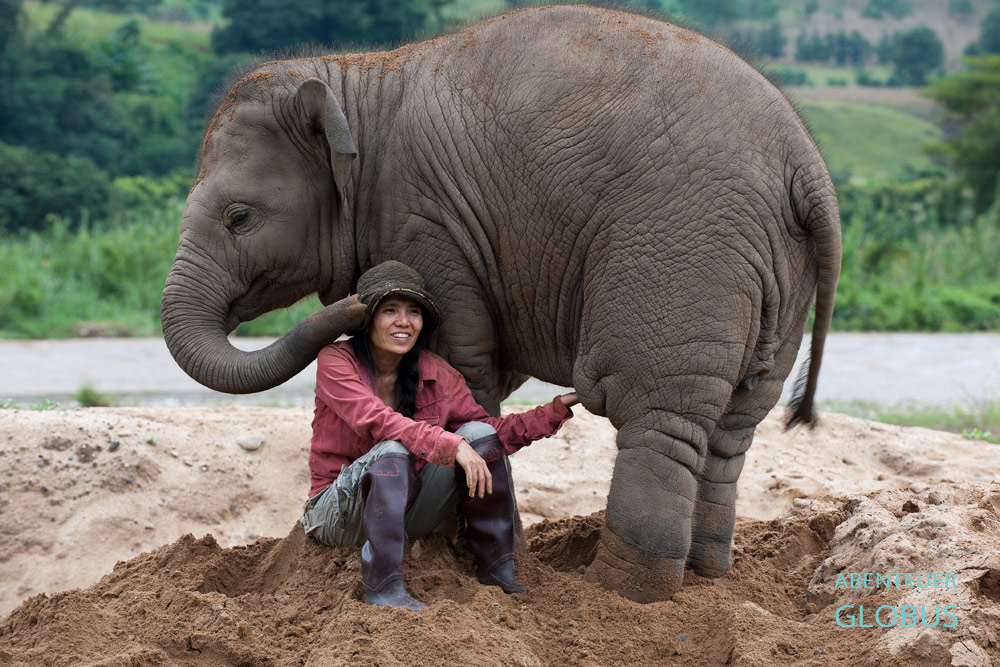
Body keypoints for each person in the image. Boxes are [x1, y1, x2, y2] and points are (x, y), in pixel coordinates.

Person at [300, 261, 579, 611]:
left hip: (405, 512)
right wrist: (450, 444)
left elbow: (493, 433)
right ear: (367, 320)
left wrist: (557, 408)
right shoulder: (336, 361)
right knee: (393, 448)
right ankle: (385, 590)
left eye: (413, 312)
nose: (404, 321)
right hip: (337, 515)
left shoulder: (436, 372)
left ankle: (495, 569)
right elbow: (376, 420)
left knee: (479, 434)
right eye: (390, 310)